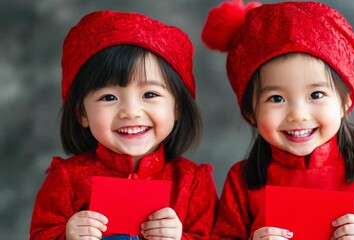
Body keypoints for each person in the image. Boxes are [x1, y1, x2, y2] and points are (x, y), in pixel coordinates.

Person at [201, 1, 354, 239]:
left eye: (316, 95)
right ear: (251, 111)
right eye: (276, 98)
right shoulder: (241, 180)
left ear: (345, 101)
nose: (298, 114)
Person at [30, 10, 218, 240]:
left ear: (177, 106)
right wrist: (66, 236)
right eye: (109, 97)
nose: (130, 112)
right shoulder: (66, 178)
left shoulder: (193, 181)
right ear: (82, 113)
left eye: (149, 94)